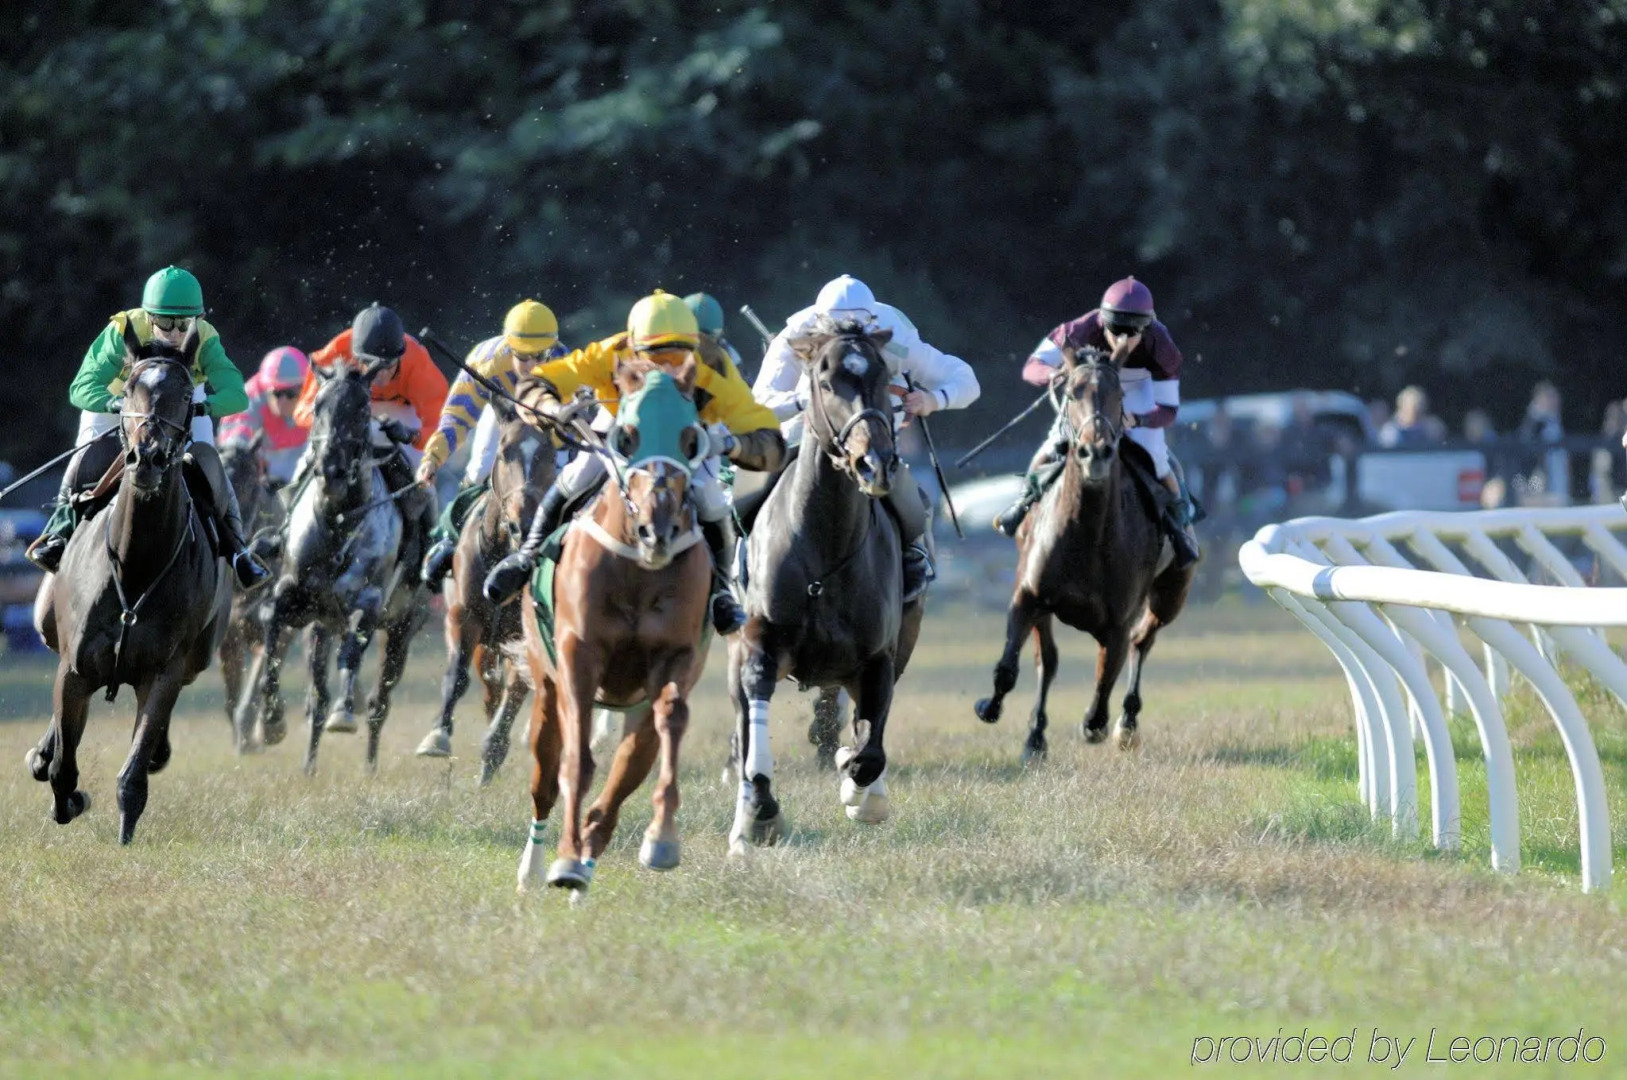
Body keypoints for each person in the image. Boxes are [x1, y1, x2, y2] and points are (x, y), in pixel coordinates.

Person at [483, 291, 786, 633]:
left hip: (686, 435)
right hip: (623, 425)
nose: (666, 368)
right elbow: (537, 382)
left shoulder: (712, 365)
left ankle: (721, 593)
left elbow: (770, 442)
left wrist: (730, 442)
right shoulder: (612, 352)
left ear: (695, 347)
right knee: (577, 476)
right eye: (654, 357)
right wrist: (552, 408)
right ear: (633, 347)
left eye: (677, 356)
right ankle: (526, 556)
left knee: (712, 500)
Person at [26, 266, 269, 588]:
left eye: (183, 324)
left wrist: (201, 407)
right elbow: (82, 387)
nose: (174, 332)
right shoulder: (124, 329)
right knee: (87, 456)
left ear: (197, 319)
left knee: (210, 462)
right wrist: (117, 405)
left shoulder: (206, 337)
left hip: (178, 402)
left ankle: (238, 550)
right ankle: (58, 534)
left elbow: (236, 395)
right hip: (118, 399)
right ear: (148, 315)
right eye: (164, 322)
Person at [752, 274, 981, 600]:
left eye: (859, 333)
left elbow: (965, 380)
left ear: (873, 324)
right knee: (746, 486)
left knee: (904, 488)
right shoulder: (796, 335)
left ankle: (913, 552)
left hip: (872, 438)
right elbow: (758, 404)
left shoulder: (896, 333)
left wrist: (933, 400)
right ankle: (736, 561)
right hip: (805, 434)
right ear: (819, 325)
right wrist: (806, 402)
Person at [991, 277, 1198, 568]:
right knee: (1051, 445)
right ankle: (1023, 502)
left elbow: (1168, 410)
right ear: (1103, 320)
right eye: (1116, 330)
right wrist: (1055, 375)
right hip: (1089, 389)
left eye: (1133, 332)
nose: (1123, 340)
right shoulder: (1077, 330)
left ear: (1147, 326)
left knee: (1156, 457)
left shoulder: (1162, 346)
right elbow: (1031, 368)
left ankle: (1180, 528)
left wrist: (1137, 418)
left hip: (1137, 388)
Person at [291, 303, 449, 590]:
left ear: (400, 357)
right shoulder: (337, 349)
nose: (380, 375)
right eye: (369, 364)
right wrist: (332, 425)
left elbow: (441, 427)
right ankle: (282, 534)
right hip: (351, 409)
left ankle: (425, 548)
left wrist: (410, 435)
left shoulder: (419, 363)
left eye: (388, 366)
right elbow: (303, 409)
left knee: (424, 481)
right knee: (306, 462)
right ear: (355, 355)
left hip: (404, 412)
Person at [415, 300, 569, 590]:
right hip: (502, 412)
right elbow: (457, 418)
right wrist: (432, 459)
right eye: (523, 358)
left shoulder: (566, 363)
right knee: (482, 465)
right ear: (509, 348)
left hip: (545, 416)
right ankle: (448, 539)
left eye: (541, 356)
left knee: (564, 472)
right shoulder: (487, 364)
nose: (533, 366)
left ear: (554, 347)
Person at [218, 346, 312, 486]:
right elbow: (235, 443)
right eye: (277, 393)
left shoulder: (316, 396)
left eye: (291, 393)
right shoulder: (249, 398)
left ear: (305, 388)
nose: (283, 401)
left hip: (301, 469)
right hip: (260, 479)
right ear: (265, 388)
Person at [1377, 386, 1443, 448]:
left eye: (1420, 405)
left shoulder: (1431, 427)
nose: (1418, 408)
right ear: (1402, 406)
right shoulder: (1390, 431)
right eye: (1413, 405)